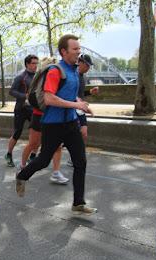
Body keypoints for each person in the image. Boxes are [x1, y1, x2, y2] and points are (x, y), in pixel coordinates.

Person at [16, 34, 97, 215]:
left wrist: (82, 105)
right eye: (75, 49)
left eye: (79, 49)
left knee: (80, 162)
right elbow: (49, 98)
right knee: (44, 160)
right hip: (52, 124)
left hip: (70, 124)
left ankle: (78, 203)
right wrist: (77, 104)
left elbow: (70, 96)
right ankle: (22, 175)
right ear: (64, 51)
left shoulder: (75, 71)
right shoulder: (55, 71)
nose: (79, 52)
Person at [20, 57, 69, 185]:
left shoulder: (57, 78)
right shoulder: (42, 78)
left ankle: (56, 173)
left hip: (52, 117)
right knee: (33, 144)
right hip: (39, 116)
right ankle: (22, 166)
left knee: (57, 146)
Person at [4, 55, 38, 167]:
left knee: (38, 133)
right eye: (33, 63)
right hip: (21, 109)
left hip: (33, 109)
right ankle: (9, 154)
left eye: (36, 63)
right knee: (17, 133)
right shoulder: (21, 77)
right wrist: (24, 96)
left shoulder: (38, 76)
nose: (35, 65)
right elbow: (12, 91)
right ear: (27, 64)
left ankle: (33, 155)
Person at [67, 54, 99, 166]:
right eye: (87, 65)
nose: (88, 68)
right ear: (80, 62)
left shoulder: (83, 77)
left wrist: (90, 92)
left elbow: (80, 94)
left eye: (90, 66)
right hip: (72, 108)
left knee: (83, 134)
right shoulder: (72, 75)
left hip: (80, 108)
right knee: (73, 135)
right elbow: (70, 95)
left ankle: (77, 158)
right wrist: (81, 105)